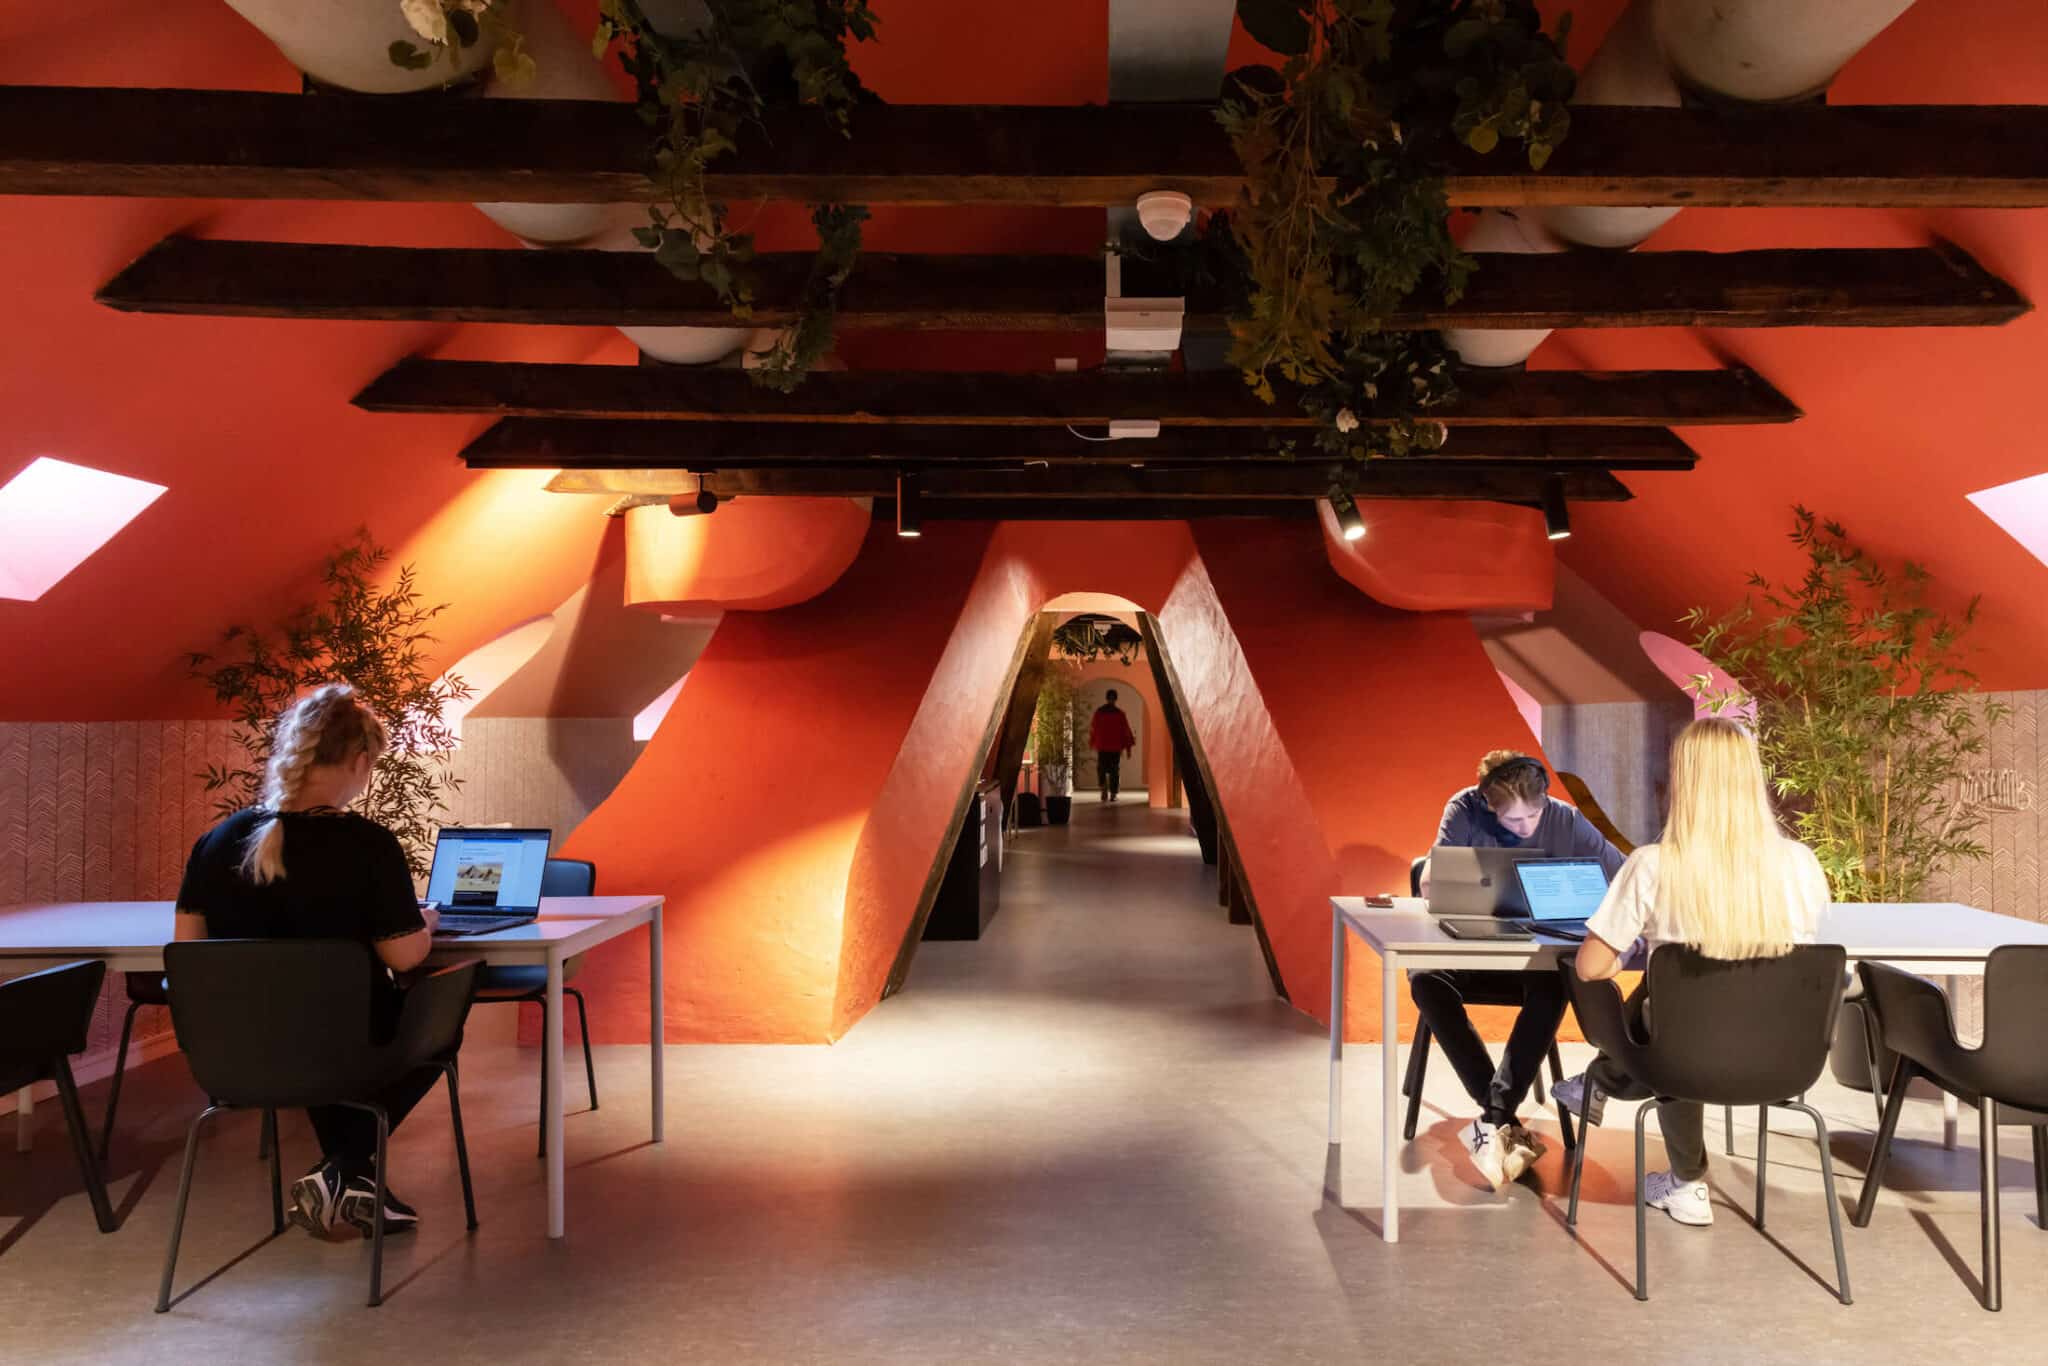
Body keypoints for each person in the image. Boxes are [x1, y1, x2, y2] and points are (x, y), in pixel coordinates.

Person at [173, 683, 444, 1240]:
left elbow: (187, 949)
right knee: (442, 1020)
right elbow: (405, 954)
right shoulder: (366, 845)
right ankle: (342, 1168)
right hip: (343, 1050)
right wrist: (427, 924)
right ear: (360, 760)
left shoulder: (217, 841)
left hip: (235, 1052)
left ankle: (352, 1179)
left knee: (311, 1030)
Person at [1550, 718, 1828, 1227]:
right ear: (1751, 780)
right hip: (1784, 1056)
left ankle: (1616, 1101)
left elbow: (1590, 967)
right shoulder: (1802, 863)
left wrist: (1634, 945)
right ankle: (1607, 1095)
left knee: (1667, 1010)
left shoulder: (1654, 865)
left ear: (1683, 781)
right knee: (1678, 1007)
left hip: (1685, 1054)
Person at [1413, 750, 1626, 1191]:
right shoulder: (1463, 809)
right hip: (1471, 957)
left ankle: (1491, 1120)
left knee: (1554, 985)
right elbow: (1432, 883)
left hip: (1531, 962)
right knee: (1425, 980)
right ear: (1488, 804)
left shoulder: (1565, 819)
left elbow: (1621, 876)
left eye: (1535, 814)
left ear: (1546, 798)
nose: (1526, 827)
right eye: (1513, 822)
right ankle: (1502, 1116)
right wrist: (1432, 878)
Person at [1088, 688, 1137, 803]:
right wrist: (1128, 749)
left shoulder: (1099, 712)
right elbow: (1126, 731)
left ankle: (1104, 788)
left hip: (1103, 746)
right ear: (1115, 699)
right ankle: (1113, 794)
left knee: (1102, 768)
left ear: (1107, 698)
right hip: (1115, 747)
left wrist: (1092, 742)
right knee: (1114, 770)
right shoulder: (1119, 714)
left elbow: (1093, 729)